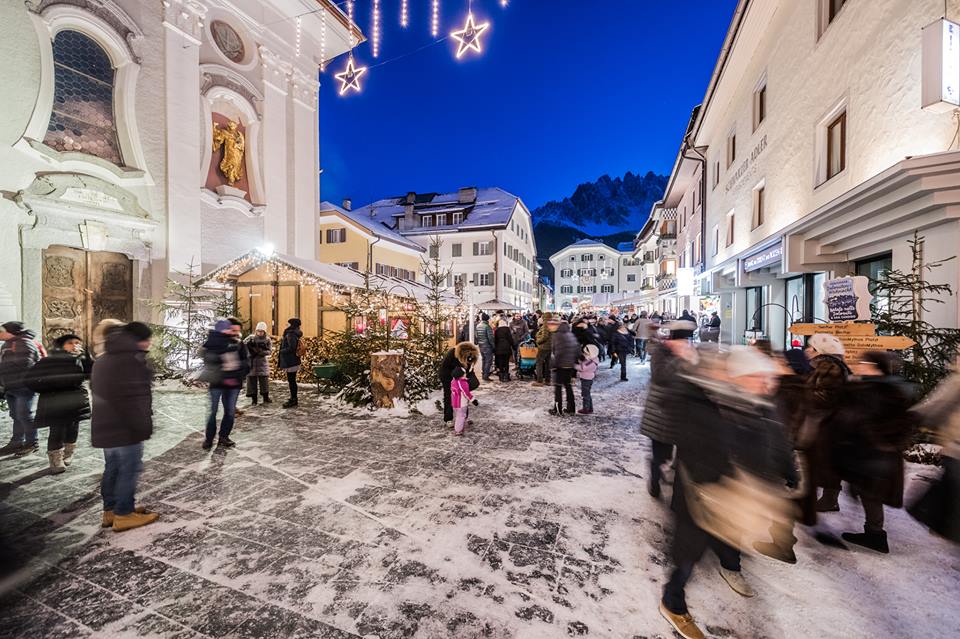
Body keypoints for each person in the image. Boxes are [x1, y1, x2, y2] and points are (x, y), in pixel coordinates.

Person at [660, 346, 793, 639]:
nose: (763, 382)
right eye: (756, 376)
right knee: (690, 547)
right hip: (702, 490)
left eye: (764, 376)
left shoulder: (755, 402)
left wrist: (785, 472)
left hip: (736, 492)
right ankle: (673, 599)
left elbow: (775, 441)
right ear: (739, 376)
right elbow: (690, 439)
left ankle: (731, 567)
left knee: (727, 538)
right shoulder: (703, 401)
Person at [830, 351, 916, 553]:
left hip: (871, 454)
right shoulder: (886, 388)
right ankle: (874, 532)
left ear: (874, 367)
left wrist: (870, 438)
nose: (858, 365)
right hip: (876, 453)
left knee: (869, 493)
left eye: (862, 363)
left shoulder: (874, 390)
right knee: (868, 493)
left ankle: (875, 535)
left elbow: (856, 419)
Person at [91, 322, 159, 532]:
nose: (149, 343)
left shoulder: (104, 358)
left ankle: (111, 511)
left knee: (112, 468)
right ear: (140, 339)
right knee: (129, 469)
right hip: (125, 427)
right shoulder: (130, 361)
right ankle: (124, 514)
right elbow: (134, 399)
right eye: (147, 339)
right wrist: (141, 426)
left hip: (105, 425)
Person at [641, 320, 697, 498]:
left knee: (681, 458)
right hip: (660, 415)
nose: (684, 345)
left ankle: (677, 494)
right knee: (660, 455)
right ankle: (655, 481)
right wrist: (680, 358)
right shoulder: (661, 352)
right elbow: (661, 377)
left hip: (682, 414)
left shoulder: (692, 354)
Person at [26, 334, 90, 473]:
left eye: (77, 342)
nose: (75, 345)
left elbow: (92, 373)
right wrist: (47, 390)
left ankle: (68, 453)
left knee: (73, 427)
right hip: (56, 401)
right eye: (70, 343)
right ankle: (55, 459)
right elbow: (30, 379)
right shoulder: (49, 361)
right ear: (61, 345)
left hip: (76, 400)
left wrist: (87, 357)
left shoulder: (81, 359)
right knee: (57, 429)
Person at [805, 333, 852, 513]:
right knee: (826, 462)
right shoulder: (832, 365)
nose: (807, 350)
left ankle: (829, 499)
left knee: (827, 462)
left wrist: (806, 396)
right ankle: (828, 498)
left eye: (812, 348)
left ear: (820, 351)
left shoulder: (828, 367)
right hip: (829, 423)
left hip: (827, 424)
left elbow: (825, 396)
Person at [201, 319, 250, 450]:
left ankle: (224, 437)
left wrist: (239, 374)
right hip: (217, 384)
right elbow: (209, 362)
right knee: (213, 412)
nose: (233, 332)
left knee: (229, 412)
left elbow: (245, 363)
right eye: (231, 329)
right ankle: (209, 438)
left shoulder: (239, 344)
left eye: (236, 330)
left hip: (233, 384)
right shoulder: (213, 344)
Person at [0, 321, 42, 456]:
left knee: (26, 416)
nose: (0, 333)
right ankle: (17, 442)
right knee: (16, 416)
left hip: (24, 387)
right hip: (11, 386)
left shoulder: (25, 343)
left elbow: (26, 365)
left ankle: (32, 443)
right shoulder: (7, 344)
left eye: (2, 330)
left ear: (11, 331)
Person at [439, 342, 480, 424]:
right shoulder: (453, 354)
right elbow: (445, 368)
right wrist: (455, 378)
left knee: (464, 396)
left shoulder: (470, 356)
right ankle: (448, 419)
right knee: (449, 396)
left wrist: (470, 379)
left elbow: (469, 369)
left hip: (460, 377)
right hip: (447, 377)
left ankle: (464, 416)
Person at [550, 321, 579, 416]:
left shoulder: (557, 336)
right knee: (568, 386)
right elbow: (577, 350)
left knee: (558, 387)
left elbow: (558, 351)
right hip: (570, 365)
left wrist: (554, 364)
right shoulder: (571, 335)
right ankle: (571, 408)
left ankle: (557, 409)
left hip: (560, 365)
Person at [244, 322, 272, 406]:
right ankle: (254, 399)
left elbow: (269, 351)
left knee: (264, 381)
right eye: (258, 331)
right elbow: (242, 346)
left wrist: (261, 352)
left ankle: (265, 397)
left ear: (264, 332)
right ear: (256, 331)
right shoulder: (250, 338)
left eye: (262, 331)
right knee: (252, 382)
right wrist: (249, 349)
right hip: (251, 363)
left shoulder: (267, 339)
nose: (260, 333)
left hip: (261, 363)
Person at [278, 318, 303, 408]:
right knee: (292, 380)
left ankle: (293, 399)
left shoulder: (291, 334)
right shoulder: (294, 333)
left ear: (292, 324)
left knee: (291, 381)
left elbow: (292, 348)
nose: (286, 325)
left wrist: (282, 351)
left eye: (288, 323)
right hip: (293, 360)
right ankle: (293, 398)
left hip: (291, 361)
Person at [450, 366, 478, 436]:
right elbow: (466, 393)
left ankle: (460, 426)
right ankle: (458, 430)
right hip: (461, 403)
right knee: (461, 416)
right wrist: (473, 400)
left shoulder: (453, 381)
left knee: (459, 415)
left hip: (454, 402)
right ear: (460, 375)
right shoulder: (462, 383)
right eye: (464, 373)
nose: (465, 374)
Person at [576, 344, 599, 415]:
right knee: (587, 394)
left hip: (587, 379)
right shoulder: (592, 359)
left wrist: (574, 365)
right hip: (586, 378)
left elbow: (582, 368)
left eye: (586, 353)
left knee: (585, 394)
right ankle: (590, 408)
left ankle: (586, 409)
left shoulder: (592, 362)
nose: (584, 354)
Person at [533, 314, 557, 385]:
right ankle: (547, 380)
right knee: (547, 363)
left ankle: (539, 380)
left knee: (539, 363)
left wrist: (538, 341)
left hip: (543, 347)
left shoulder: (545, 325)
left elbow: (544, 336)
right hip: (549, 346)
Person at [475, 313, 495, 381]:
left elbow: (476, 336)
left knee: (484, 360)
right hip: (487, 346)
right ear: (487, 319)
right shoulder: (487, 326)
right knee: (488, 361)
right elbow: (491, 338)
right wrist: (493, 346)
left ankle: (483, 373)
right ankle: (486, 375)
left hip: (481, 346)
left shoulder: (478, 326)